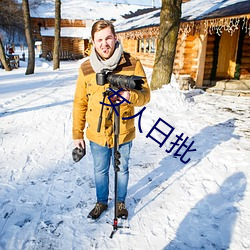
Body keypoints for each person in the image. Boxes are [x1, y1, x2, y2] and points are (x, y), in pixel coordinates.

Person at [72, 20, 150, 220]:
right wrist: (77, 134)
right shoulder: (86, 68)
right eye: (99, 40)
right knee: (100, 170)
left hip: (123, 130)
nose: (104, 44)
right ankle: (101, 202)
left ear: (115, 38)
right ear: (93, 42)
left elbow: (145, 95)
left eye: (108, 38)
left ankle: (121, 202)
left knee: (122, 168)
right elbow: (80, 102)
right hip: (97, 133)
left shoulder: (132, 63)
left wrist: (129, 96)